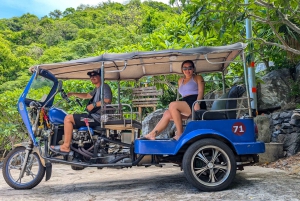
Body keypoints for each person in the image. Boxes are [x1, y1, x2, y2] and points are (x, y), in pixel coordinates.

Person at [50, 69, 112, 154]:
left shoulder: (104, 86)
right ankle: (75, 146)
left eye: (95, 75)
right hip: (94, 116)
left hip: (97, 118)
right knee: (73, 118)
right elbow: (87, 95)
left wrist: (93, 105)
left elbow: (107, 100)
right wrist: (73, 94)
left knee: (68, 118)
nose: (92, 77)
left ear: (101, 76)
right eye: (91, 76)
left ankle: (66, 146)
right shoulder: (97, 89)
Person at [142, 60, 206, 141]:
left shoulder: (198, 77)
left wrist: (198, 103)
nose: (187, 70)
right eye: (185, 68)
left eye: (190, 68)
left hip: (195, 102)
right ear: (182, 70)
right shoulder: (180, 80)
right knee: (167, 113)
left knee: (173, 105)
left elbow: (201, 91)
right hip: (186, 103)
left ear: (193, 69)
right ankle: (152, 134)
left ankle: (180, 133)